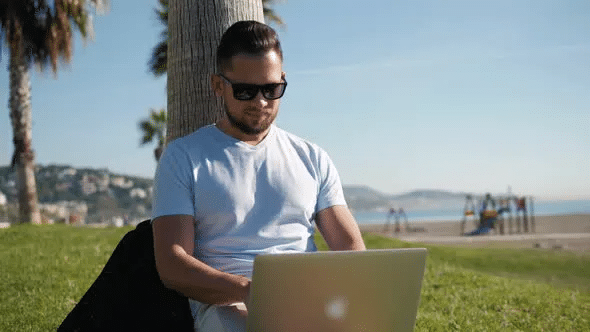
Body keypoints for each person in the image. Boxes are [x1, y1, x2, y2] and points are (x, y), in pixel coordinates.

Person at [151, 21, 366, 332]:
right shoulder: (184, 156)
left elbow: (349, 247)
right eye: (245, 91)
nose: (261, 102)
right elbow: (172, 263)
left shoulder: (312, 157)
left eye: (271, 89)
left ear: (283, 81)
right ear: (217, 85)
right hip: (229, 305)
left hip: (309, 299)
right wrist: (248, 290)